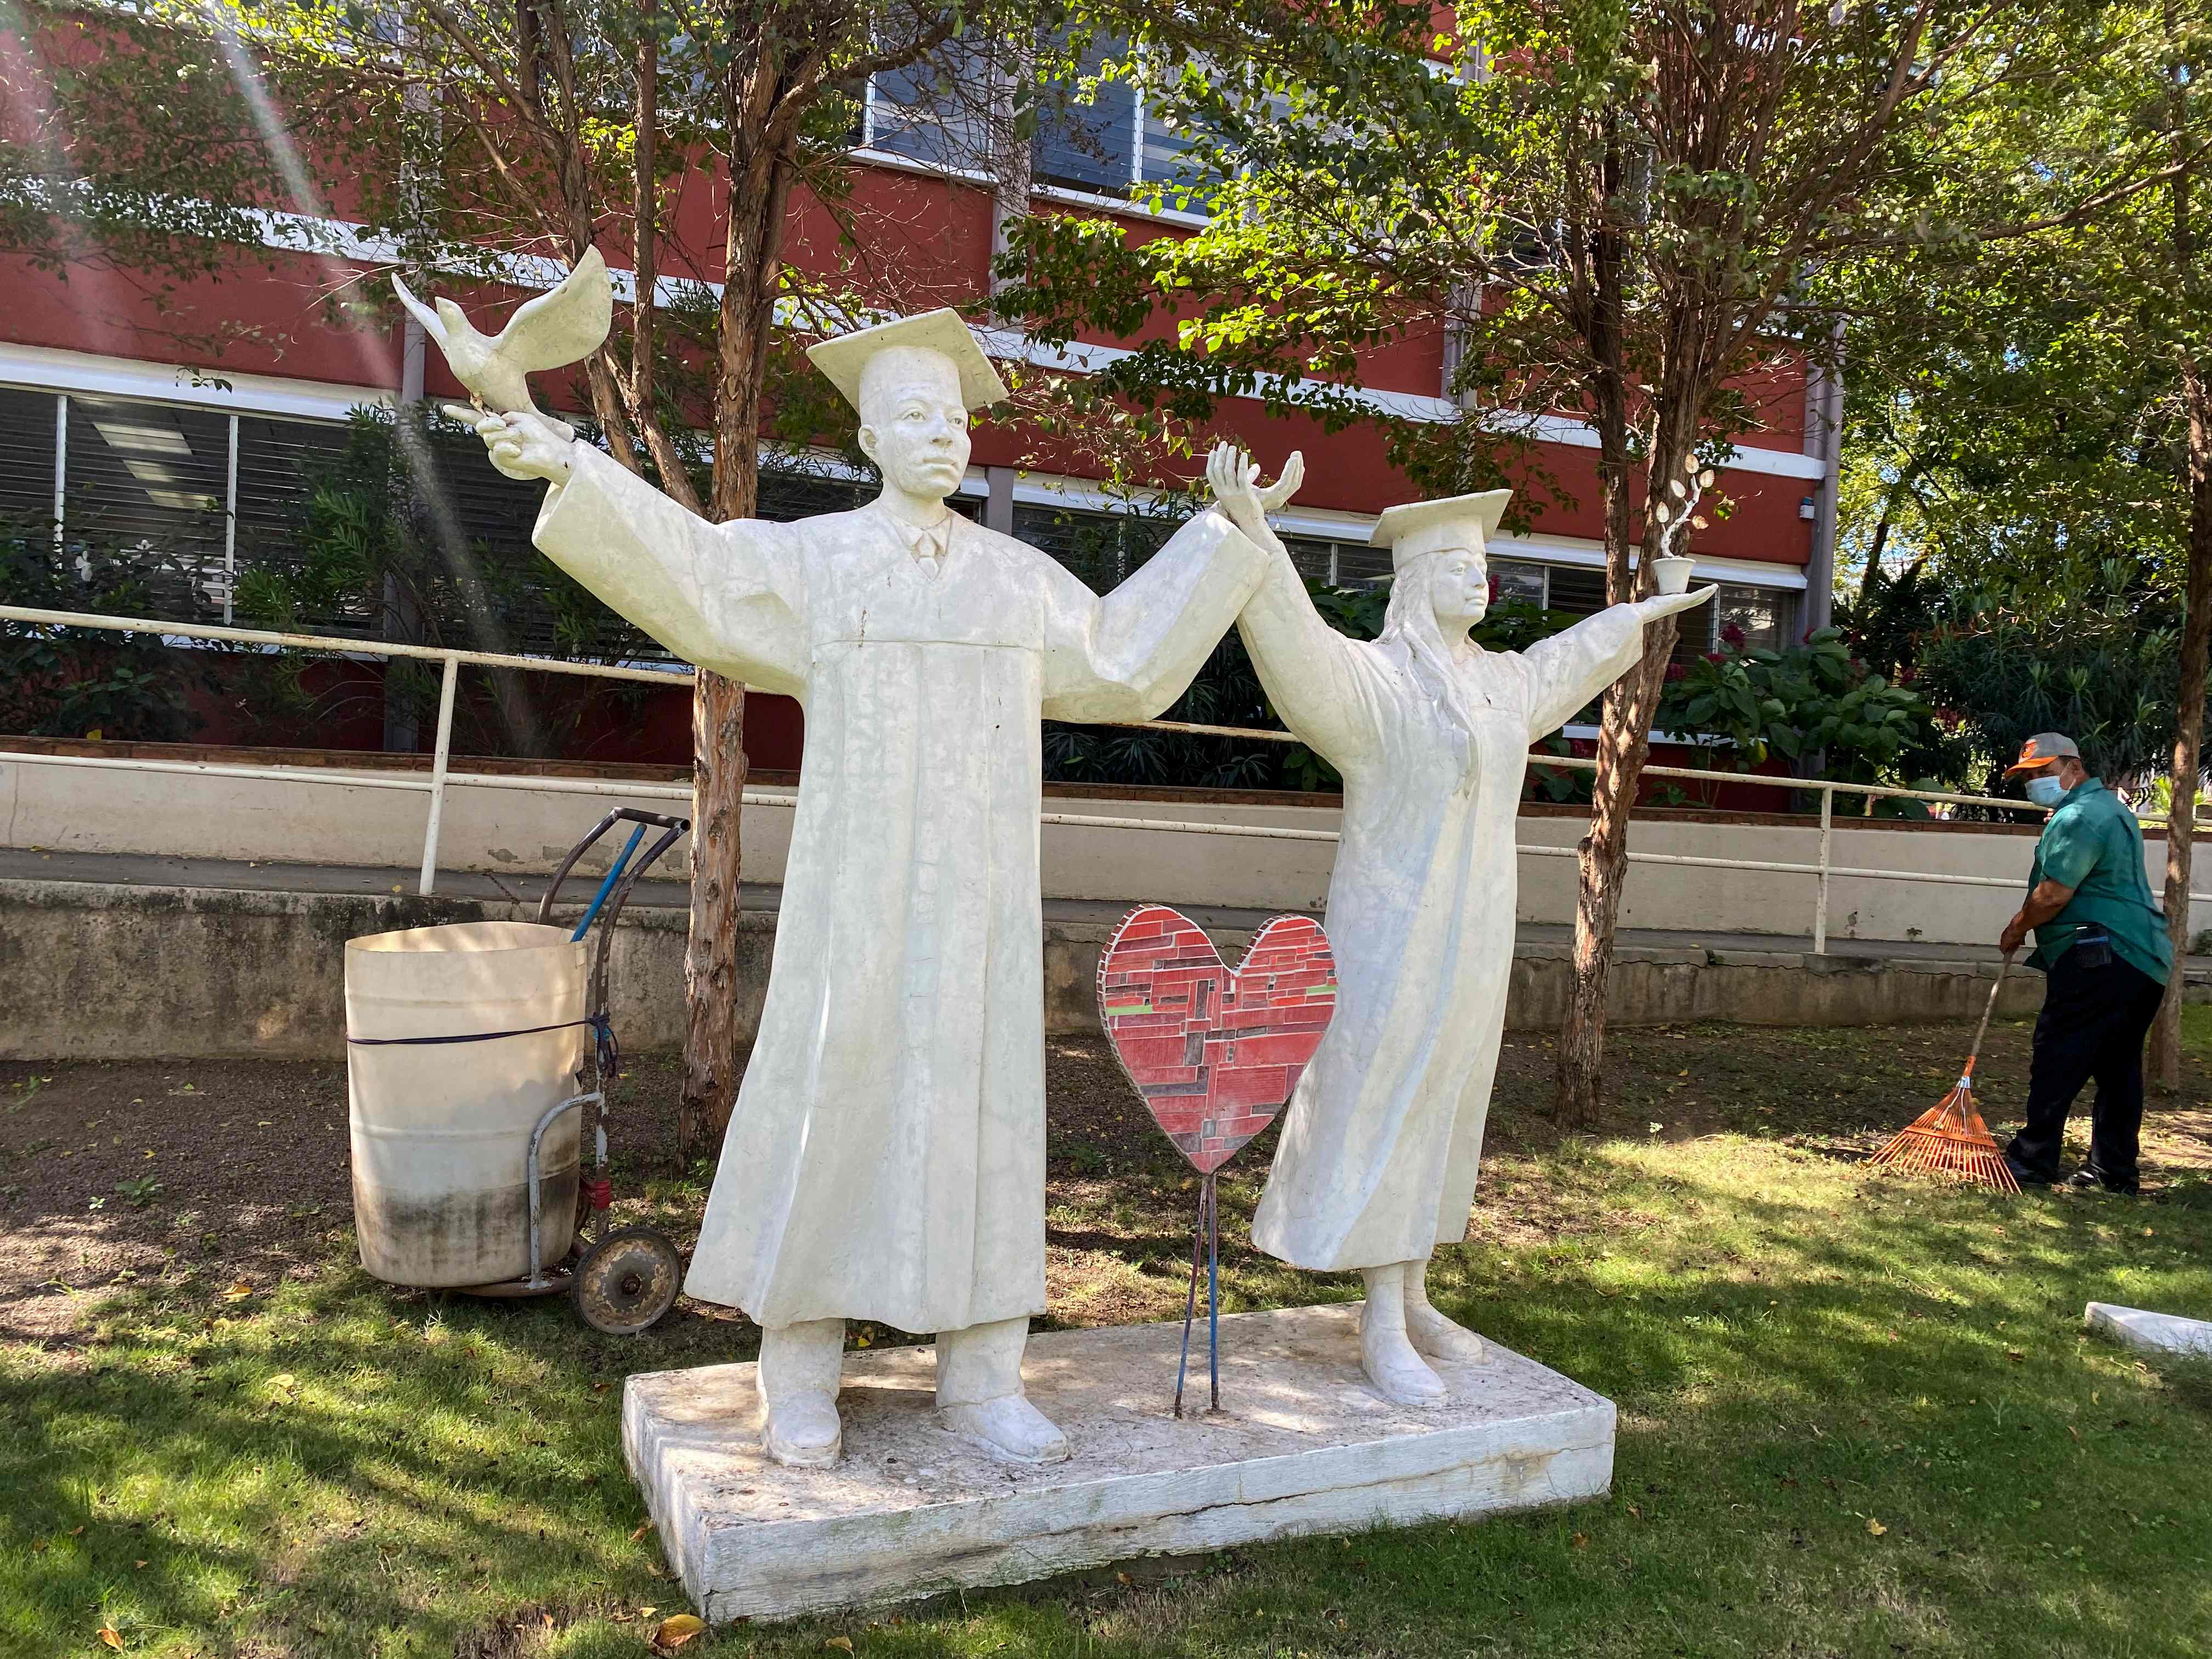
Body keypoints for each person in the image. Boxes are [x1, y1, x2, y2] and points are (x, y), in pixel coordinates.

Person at [455, 311, 1270, 1465]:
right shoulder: (819, 564)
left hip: (980, 907)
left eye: (955, 420)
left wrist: (1224, 536)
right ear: (870, 438)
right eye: (915, 420)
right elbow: (695, 567)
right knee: (834, 1095)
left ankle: (982, 1376)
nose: (944, 438)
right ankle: (799, 1373)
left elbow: (1125, 658)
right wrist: (565, 454)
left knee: (983, 1112)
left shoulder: (1011, 581)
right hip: (860, 897)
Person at [1215, 482, 1712, 1403]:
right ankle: (1375, 1314)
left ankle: (1410, 1291)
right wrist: (1256, 532)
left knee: (1446, 1096)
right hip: (1390, 930)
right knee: (1385, 1094)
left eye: (1483, 566)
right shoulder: (1373, 683)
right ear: (1411, 579)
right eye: (1455, 566)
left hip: (1475, 925)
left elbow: (1566, 658)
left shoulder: (1497, 681)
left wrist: (1642, 609)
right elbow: (1291, 639)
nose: (1477, 581)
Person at [1997, 732, 2171, 1194]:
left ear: (2073, 767)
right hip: (2142, 960)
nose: (2035, 782)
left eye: (2042, 772)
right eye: (2029, 777)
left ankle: (2031, 1160)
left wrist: (2017, 927)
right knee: (2118, 1065)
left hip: (2099, 953)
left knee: (2059, 1053)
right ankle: (2112, 1172)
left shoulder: (2079, 816)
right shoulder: (2110, 810)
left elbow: (2054, 893)